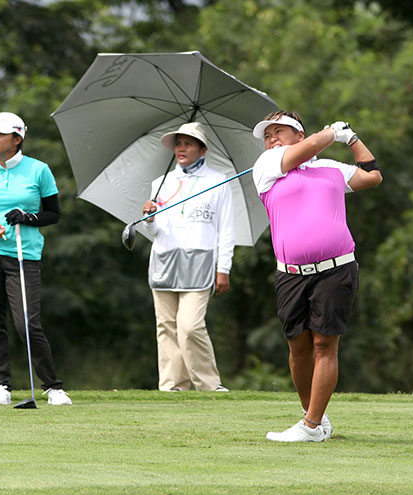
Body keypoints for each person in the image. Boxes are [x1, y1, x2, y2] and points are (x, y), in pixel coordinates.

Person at [251, 111, 382, 441]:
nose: (272, 140)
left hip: (336, 268)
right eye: (267, 136)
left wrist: (350, 138)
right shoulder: (267, 167)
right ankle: (314, 416)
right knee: (298, 349)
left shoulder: (330, 170)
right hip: (291, 274)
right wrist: (330, 134)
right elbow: (306, 149)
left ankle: (310, 425)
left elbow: (372, 176)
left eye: (279, 132)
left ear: (298, 134)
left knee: (325, 344)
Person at [0, 112, 71, 406]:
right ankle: (1, 386)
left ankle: (53, 387)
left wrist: (29, 217)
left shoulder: (39, 170)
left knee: (28, 324)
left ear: (17, 138)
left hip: (24, 256)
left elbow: (53, 214)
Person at [141, 122, 234, 392]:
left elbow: (226, 230)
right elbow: (156, 231)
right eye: (178, 143)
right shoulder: (161, 183)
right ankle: (173, 386)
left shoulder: (219, 182)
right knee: (166, 327)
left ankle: (208, 384)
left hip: (201, 261)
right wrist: (149, 218)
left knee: (190, 326)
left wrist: (223, 268)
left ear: (202, 150)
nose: (181, 148)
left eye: (189, 143)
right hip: (164, 260)